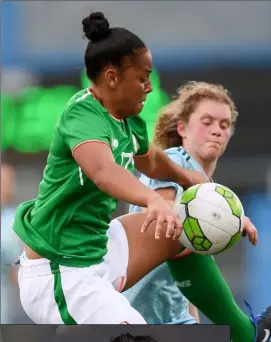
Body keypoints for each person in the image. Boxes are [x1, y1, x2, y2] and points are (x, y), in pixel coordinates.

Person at [12, 11, 208, 325]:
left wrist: (188, 179)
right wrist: (152, 199)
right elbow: (103, 171)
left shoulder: (129, 118)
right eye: (141, 78)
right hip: (60, 274)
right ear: (112, 78)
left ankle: (240, 332)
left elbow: (150, 160)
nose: (148, 86)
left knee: (186, 227)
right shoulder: (82, 115)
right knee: (135, 333)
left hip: (97, 250)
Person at [124, 82, 271, 342]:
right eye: (207, 121)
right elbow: (165, 220)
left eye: (224, 125)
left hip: (172, 320)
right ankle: (248, 334)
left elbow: (189, 279)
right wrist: (231, 217)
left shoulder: (208, 196)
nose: (216, 130)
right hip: (139, 318)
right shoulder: (175, 161)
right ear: (182, 128)